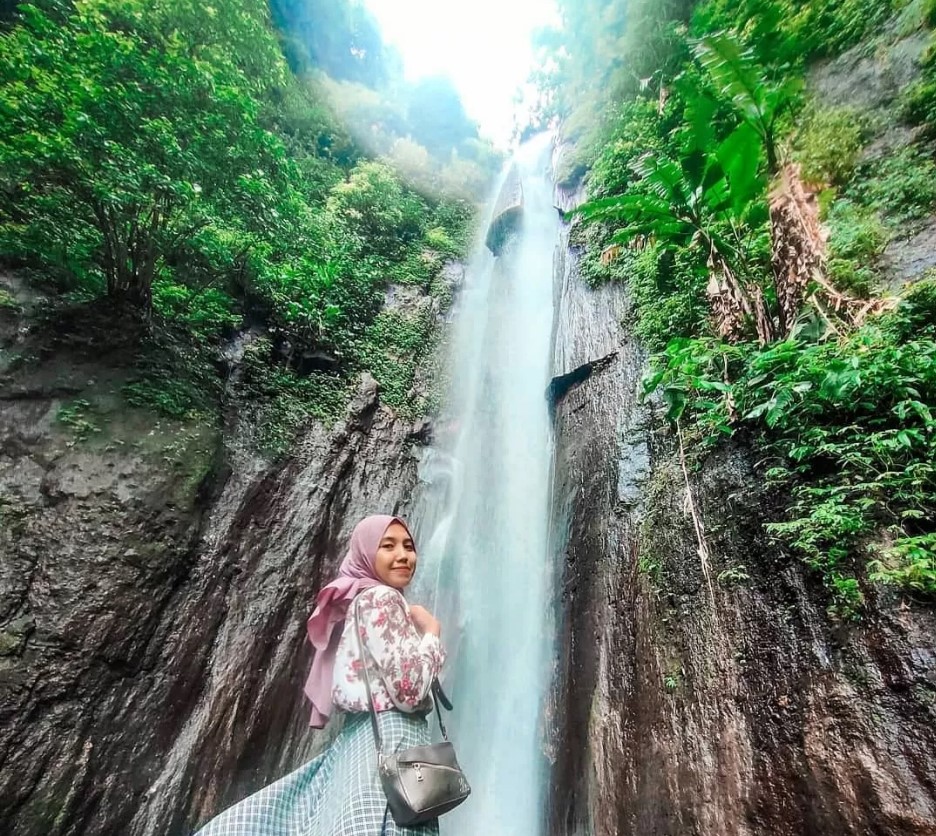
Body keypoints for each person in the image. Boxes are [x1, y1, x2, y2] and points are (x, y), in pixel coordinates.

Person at [194, 514, 446, 835]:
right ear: (367, 553)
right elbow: (409, 691)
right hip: (393, 736)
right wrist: (432, 635)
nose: (403, 555)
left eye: (409, 546)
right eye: (388, 546)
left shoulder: (358, 603)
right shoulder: (382, 599)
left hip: (362, 739)